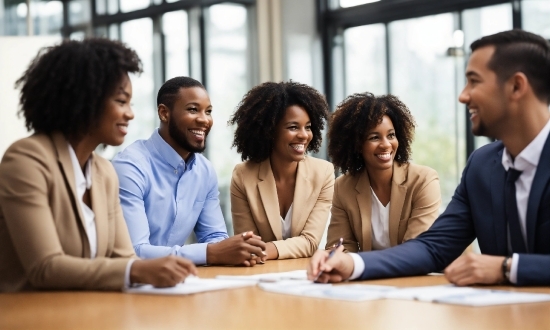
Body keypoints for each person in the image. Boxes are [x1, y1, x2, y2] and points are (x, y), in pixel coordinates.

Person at [308, 29, 550, 286]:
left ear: (516, 86)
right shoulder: (481, 166)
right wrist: (353, 263)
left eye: (474, 81)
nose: (463, 95)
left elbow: (503, 267)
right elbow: (433, 247)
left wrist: (507, 268)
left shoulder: (427, 177)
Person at [0, 39, 197, 292]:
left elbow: (123, 258)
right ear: (85, 99)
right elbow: (45, 268)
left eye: (130, 103)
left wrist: (143, 270)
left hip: (90, 312)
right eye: (121, 101)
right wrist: (137, 270)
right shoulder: (26, 160)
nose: (130, 113)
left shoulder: (104, 172)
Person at [112, 76, 266, 267]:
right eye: (193, 109)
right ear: (164, 113)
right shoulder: (130, 167)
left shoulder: (205, 170)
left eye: (208, 111)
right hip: (127, 286)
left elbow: (214, 236)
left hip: (178, 281)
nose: (204, 120)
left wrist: (238, 250)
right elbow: (135, 251)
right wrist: (211, 253)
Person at [228, 81, 334, 260]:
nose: (304, 135)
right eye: (293, 127)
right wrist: (255, 251)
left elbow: (310, 242)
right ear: (269, 131)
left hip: (306, 274)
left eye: (308, 127)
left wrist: (262, 251)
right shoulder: (243, 176)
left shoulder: (323, 173)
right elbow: (248, 243)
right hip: (260, 274)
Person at [325, 93, 440, 252]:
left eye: (391, 135)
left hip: (416, 274)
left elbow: (416, 249)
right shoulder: (343, 187)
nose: (386, 145)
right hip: (369, 274)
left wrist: (361, 265)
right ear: (357, 144)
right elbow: (340, 246)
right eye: (374, 137)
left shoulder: (423, 181)